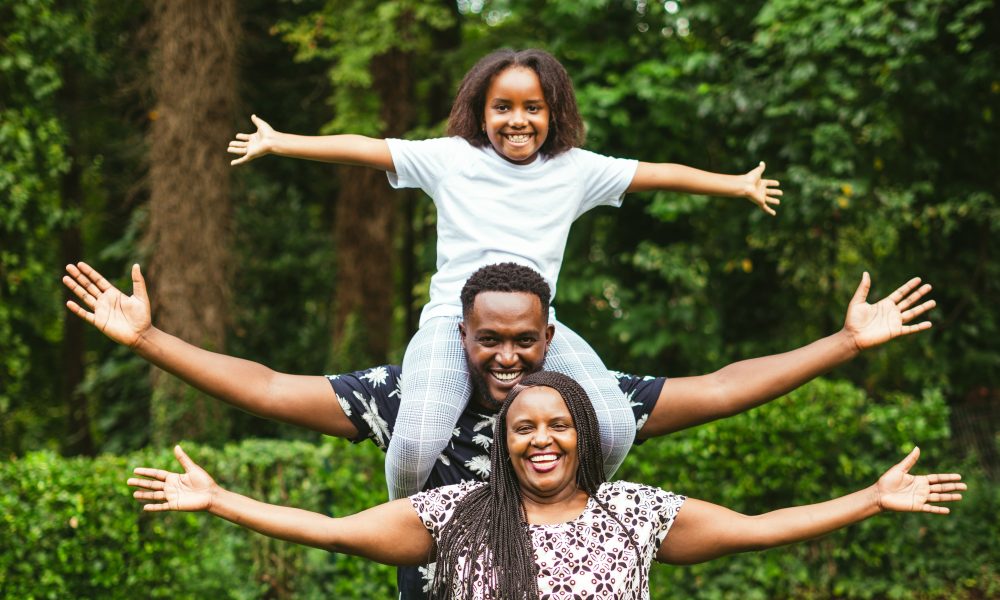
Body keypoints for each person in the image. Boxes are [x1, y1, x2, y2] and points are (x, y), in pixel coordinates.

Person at [63, 259, 935, 597]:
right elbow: (265, 389)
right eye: (490, 340)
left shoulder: (601, 439)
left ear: (549, 339)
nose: (508, 356)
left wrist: (845, 345)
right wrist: (147, 341)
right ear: (462, 336)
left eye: (525, 340)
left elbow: (723, 388)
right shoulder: (409, 407)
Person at [226, 48, 785, 501]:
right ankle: (405, 525)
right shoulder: (451, 158)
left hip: (539, 329)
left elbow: (656, 174)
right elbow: (368, 149)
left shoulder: (575, 170)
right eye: (503, 107)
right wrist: (281, 142)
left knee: (613, 425)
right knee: (418, 438)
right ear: (481, 112)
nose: (518, 120)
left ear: (553, 113)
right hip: (454, 323)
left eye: (532, 107)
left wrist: (735, 183)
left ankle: (562, 518)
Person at [128, 371, 964, 600]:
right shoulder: (456, 513)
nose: (541, 439)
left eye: (558, 425)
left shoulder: (637, 513)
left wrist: (870, 499)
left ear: (583, 436)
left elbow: (759, 527)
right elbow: (333, 529)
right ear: (503, 443)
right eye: (523, 427)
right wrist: (220, 499)